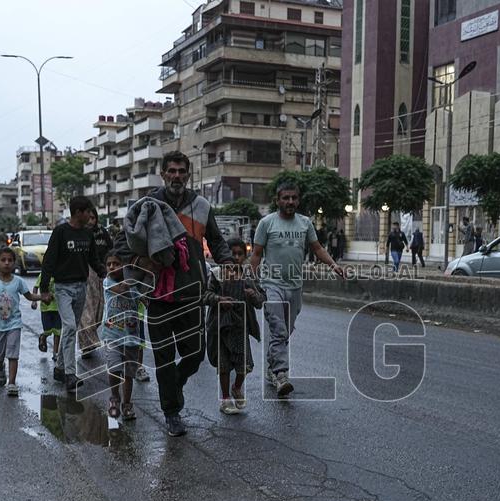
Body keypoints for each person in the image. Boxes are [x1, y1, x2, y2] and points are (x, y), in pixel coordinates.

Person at [111, 150, 233, 437]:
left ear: (188, 174)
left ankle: (174, 386)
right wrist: (140, 262)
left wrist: (229, 264)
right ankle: (172, 412)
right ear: (163, 174)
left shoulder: (201, 205)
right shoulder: (147, 205)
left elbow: (216, 241)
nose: (177, 176)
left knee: (195, 355)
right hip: (157, 297)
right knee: (164, 358)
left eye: (181, 171)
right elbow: (121, 244)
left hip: (192, 294)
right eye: (172, 171)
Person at [249, 182, 344, 396]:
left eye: (293, 198)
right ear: (277, 200)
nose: (290, 202)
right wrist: (251, 280)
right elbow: (256, 254)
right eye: (286, 198)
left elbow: (317, 247)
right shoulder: (267, 223)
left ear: (298, 200)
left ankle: (272, 368)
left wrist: (333, 265)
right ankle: (281, 375)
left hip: (295, 286)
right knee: (279, 330)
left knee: (285, 331)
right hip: (272, 285)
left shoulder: (304, 223)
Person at [38, 196, 108, 392]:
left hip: (81, 287)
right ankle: (70, 374)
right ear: (78, 212)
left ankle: (60, 368)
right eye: (88, 212)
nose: (90, 216)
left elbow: (94, 260)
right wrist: (44, 289)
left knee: (71, 330)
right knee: (69, 326)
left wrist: (105, 273)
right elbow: (49, 260)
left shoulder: (87, 234)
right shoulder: (61, 232)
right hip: (63, 288)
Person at [205, 238, 264, 415]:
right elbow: (205, 296)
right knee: (223, 366)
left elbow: (260, 301)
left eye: (240, 254)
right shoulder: (216, 274)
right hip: (221, 327)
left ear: (245, 257)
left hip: (240, 327)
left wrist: (253, 295)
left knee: (244, 365)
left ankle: (236, 387)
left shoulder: (248, 276)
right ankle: (225, 399)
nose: (236, 257)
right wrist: (219, 300)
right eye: (233, 254)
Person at [0, 247, 50, 396]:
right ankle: (0, 368)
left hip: (14, 323)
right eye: (3, 260)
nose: (7, 263)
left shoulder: (18, 281)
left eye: (10, 260)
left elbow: (29, 296)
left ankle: (12, 383)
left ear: (14, 263)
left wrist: (42, 297)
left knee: (13, 353)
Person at [100, 253, 143, 421]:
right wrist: (136, 278)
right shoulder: (108, 282)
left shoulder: (135, 285)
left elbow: (144, 299)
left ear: (124, 266)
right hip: (112, 335)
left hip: (131, 335)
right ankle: (114, 396)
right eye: (109, 264)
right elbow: (121, 290)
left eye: (116, 263)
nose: (112, 267)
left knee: (128, 374)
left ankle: (126, 404)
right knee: (114, 369)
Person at [78, 213, 113, 358]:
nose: (91, 221)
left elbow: (111, 250)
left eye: (94, 218)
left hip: (100, 275)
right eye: (89, 217)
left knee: (98, 312)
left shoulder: (102, 233)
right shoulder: (78, 234)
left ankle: (89, 341)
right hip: (83, 274)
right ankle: (87, 345)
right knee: (86, 313)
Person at [32, 272, 60, 363]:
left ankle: (55, 353)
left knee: (57, 331)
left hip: (58, 308)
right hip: (45, 308)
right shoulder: (43, 274)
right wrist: (34, 301)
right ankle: (43, 337)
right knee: (48, 330)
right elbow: (35, 287)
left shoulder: (59, 273)